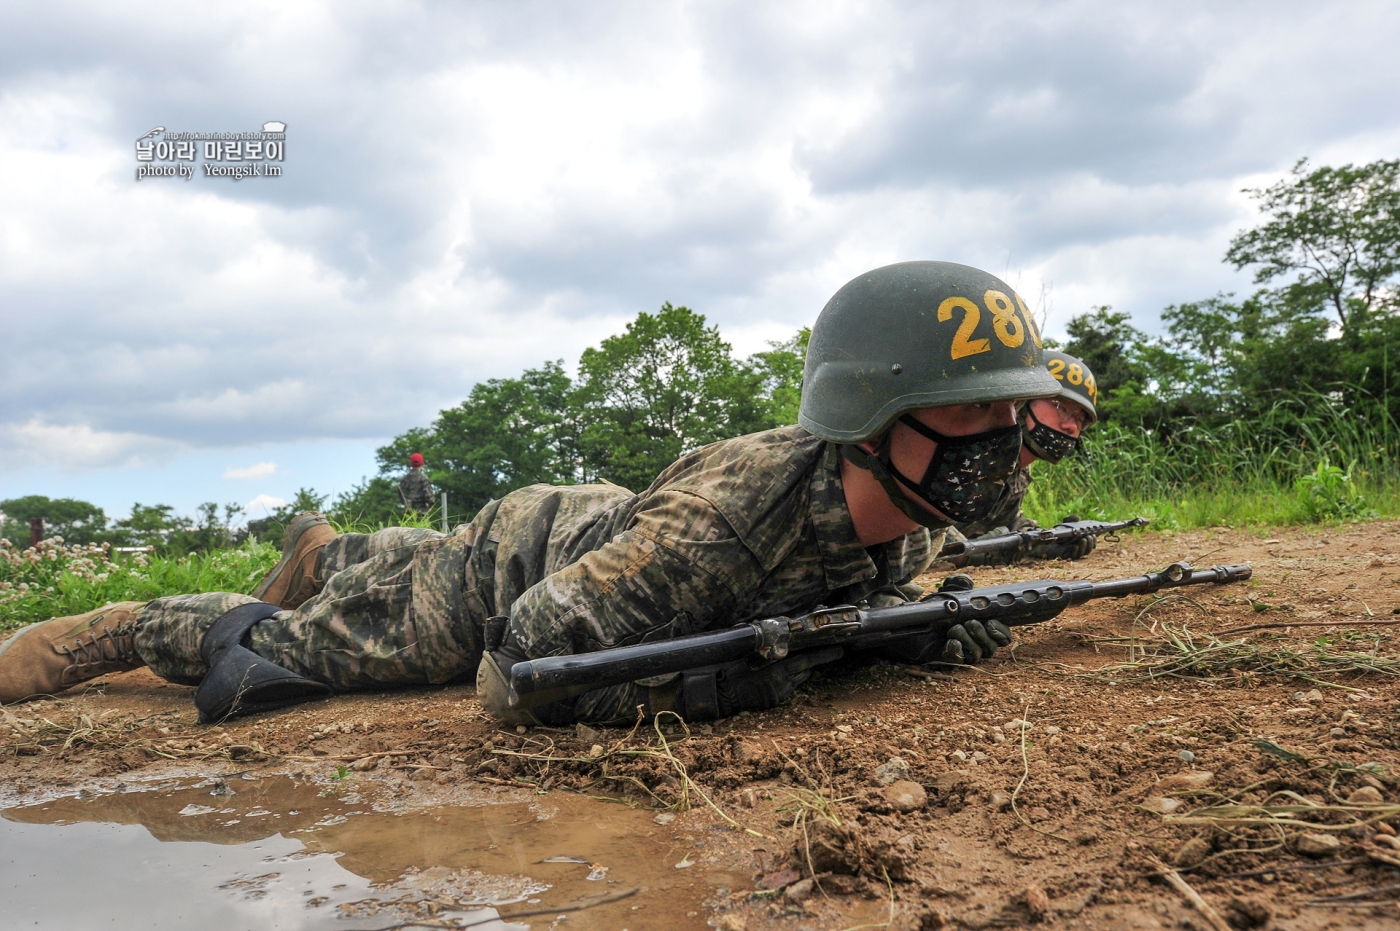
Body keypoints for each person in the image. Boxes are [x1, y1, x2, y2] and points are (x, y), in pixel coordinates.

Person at [0, 261, 1060, 726]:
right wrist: (769, 677)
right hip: (508, 573)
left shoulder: (908, 526)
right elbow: (522, 662)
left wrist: (913, 630)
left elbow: (841, 603)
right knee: (295, 654)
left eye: (1010, 420)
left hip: (596, 526)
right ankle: (110, 629)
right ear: (868, 424)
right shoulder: (720, 532)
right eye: (970, 416)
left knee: (373, 568)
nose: (1002, 446)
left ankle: (329, 548)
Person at [939, 350, 1099, 566]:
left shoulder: (1019, 469)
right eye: (1060, 408)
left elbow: (1004, 522)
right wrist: (964, 553)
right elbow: (919, 526)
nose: (1071, 426)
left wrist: (1043, 541)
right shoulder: (969, 450)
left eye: (1080, 419)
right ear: (1022, 401)